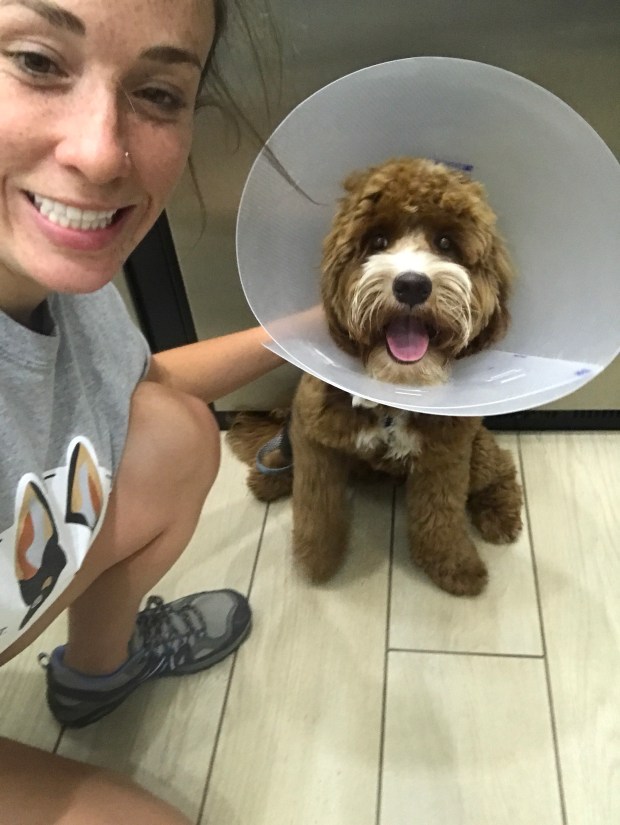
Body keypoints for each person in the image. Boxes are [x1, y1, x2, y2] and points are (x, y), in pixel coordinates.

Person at [0, 0, 282, 821]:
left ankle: (97, 672)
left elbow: (135, 385)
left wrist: (314, 336)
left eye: (158, 94)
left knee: (172, 433)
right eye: (36, 62)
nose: (100, 155)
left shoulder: (58, 274)